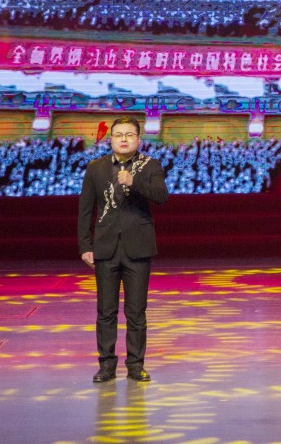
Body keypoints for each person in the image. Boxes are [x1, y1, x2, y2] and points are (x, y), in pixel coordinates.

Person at [77, 116, 168, 383]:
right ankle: (106, 365)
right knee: (106, 311)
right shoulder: (96, 168)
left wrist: (133, 182)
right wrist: (85, 246)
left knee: (136, 311)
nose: (124, 139)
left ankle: (135, 365)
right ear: (112, 140)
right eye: (119, 135)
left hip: (137, 248)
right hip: (105, 247)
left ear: (138, 139)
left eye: (129, 135)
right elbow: (85, 210)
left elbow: (161, 196)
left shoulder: (150, 165)